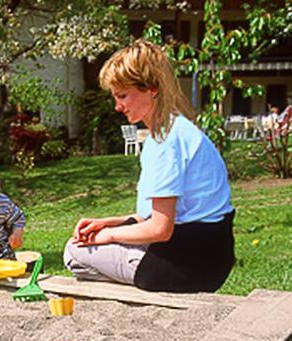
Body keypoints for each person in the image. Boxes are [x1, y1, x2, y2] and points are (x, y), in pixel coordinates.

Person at [64, 40, 235, 293]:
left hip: (186, 266)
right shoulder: (178, 129)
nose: (117, 106)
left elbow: (159, 228)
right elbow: (157, 216)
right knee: (91, 241)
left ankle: (142, 287)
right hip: (212, 255)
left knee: (73, 252)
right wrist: (107, 223)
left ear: (152, 89)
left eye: (123, 96)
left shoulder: (165, 142)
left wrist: (109, 236)